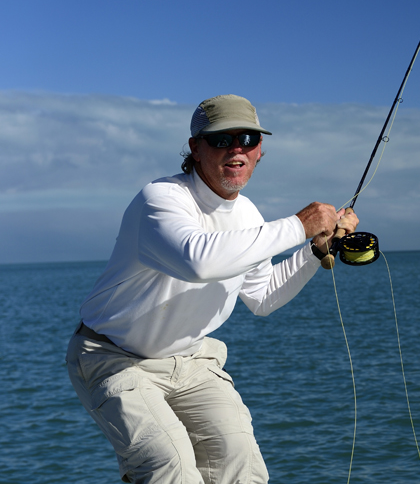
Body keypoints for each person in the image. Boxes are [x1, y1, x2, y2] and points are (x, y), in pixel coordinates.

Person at [66, 94, 358, 484]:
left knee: (242, 465)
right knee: (168, 464)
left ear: (260, 154)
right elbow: (197, 261)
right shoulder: (162, 198)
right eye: (222, 139)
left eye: (248, 140)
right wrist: (297, 225)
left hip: (191, 361)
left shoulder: (249, 215)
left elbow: (263, 295)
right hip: (113, 357)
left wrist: (313, 250)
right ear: (195, 148)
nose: (236, 149)